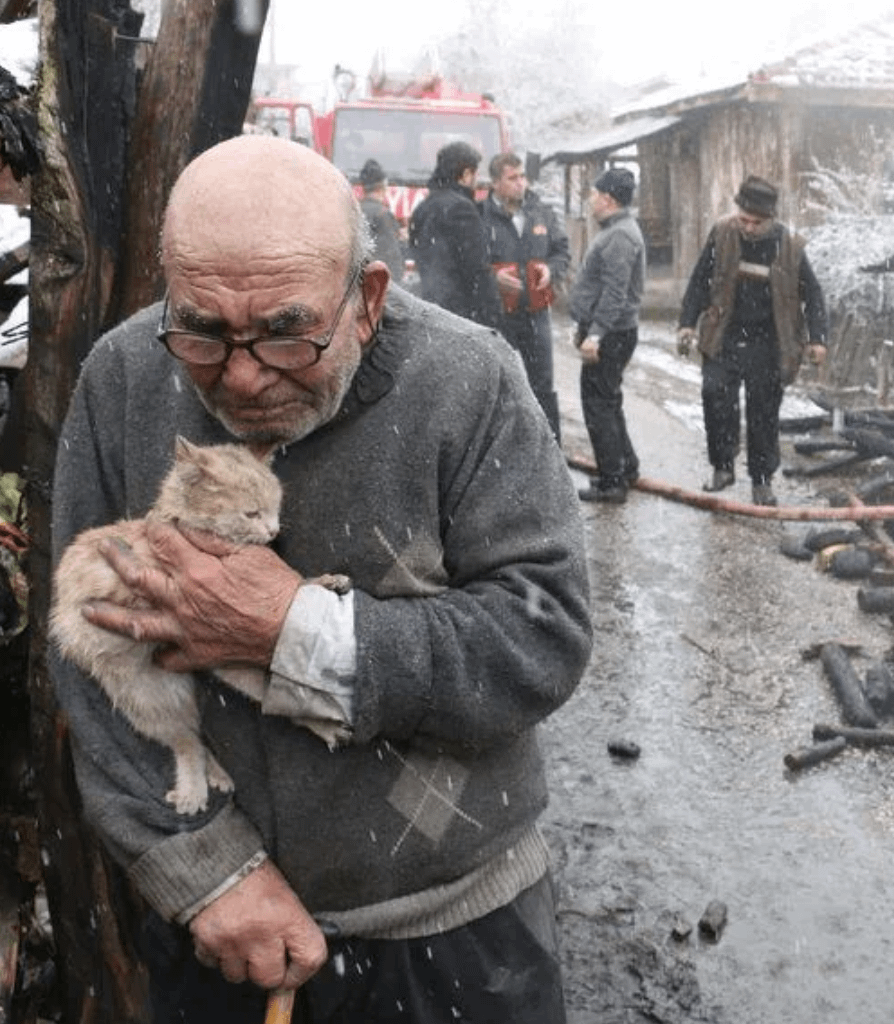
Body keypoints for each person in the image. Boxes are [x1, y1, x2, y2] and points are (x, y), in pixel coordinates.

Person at [49, 134, 592, 1024]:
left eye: (286, 332)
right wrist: (204, 871)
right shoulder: (125, 377)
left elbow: (543, 637)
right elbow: (84, 654)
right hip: (223, 936)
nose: (242, 376)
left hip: (456, 929)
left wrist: (293, 631)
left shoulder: (469, 381)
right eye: (203, 332)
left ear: (367, 299)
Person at [676, 174, 828, 506]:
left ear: (770, 219)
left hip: (769, 343)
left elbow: (813, 295)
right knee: (715, 395)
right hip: (724, 336)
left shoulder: (790, 246)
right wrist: (687, 323)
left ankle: (762, 481)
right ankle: (723, 466)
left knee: (763, 413)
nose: (748, 227)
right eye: (743, 219)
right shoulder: (722, 233)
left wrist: (818, 338)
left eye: (756, 223)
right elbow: (700, 280)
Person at [567, 167, 645, 504]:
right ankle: (626, 467)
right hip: (613, 330)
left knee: (598, 405)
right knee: (608, 400)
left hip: (611, 332)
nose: (591, 200)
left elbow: (615, 292)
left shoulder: (619, 236)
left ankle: (613, 482)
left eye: (594, 194)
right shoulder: (617, 230)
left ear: (608, 199)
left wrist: (595, 334)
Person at [481, 152, 570, 441]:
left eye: (522, 176)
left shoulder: (541, 211)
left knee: (543, 385)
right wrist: (492, 278)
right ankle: (502, 449)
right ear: (495, 183)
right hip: (497, 315)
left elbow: (562, 251)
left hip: (535, 313)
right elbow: (469, 264)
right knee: (496, 385)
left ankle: (550, 448)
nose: (521, 183)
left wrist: (551, 270)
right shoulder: (480, 216)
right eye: (512, 178)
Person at [408, 140, 501, 328]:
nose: (476, 181)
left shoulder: (422, 208)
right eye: (475, 174)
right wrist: (493, 313)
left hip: (430, 307)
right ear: (465, 175)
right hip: (461, 313)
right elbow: (476, 268)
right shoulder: (462, 209)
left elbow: (417, 252)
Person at [357, 158, 405, 283]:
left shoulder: (355, 210)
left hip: (358, 278)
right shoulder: (382, 214)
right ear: (382, 187)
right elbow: (391, 255)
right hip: (378, 281)